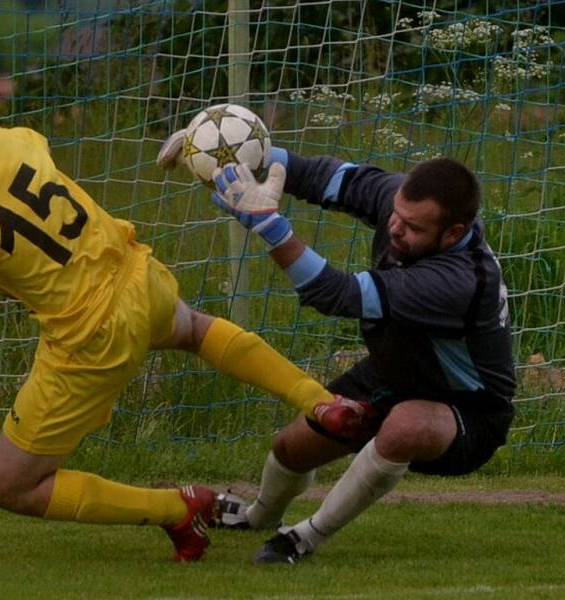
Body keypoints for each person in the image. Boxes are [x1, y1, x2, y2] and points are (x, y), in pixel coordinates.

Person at [0, 115, 376, 562]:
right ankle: (320, 401)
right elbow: (22, 177)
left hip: (92, 336)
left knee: (9, 485)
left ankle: (178, 507)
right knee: (198, 329)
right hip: (137, 276)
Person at [158, 134, 516, 563]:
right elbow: (317, 175)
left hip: (468, 412)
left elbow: (333, 294)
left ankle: (306, 537)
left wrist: (269, 226)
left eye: (414, 227)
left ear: (453, 233)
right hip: (395, 371)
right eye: (396, 216)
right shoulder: (399, 203)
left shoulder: (458, 281)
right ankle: (259, 515)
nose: (395, 228)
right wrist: (225, 146)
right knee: (291, 448)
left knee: (404, 425)